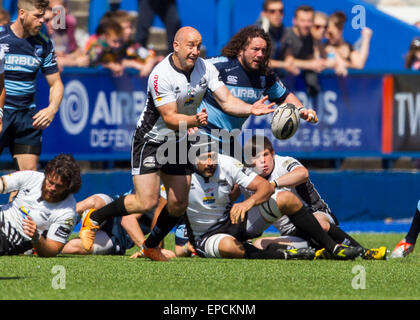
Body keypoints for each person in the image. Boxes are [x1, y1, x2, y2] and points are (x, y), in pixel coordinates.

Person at [79, 26, 276, 261]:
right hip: (151, 141)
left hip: (178, 140)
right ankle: (96, 217)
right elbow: (170, 118)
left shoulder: (206, 68)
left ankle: (151, 246)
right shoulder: (161, 74)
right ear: (176, 46)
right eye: (190, 45)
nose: (195, 51)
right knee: (146, 200)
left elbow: (226, 101)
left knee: (179, 202)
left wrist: (250, 109)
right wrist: (194, 120)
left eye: (198, 45)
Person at [134, 135, 315, 260]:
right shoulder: (179, 175)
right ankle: (285, 254)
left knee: (288, 205)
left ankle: (333, 245)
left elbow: (261, 188)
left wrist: (245, 202)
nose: (211, 162)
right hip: (202, 234)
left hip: (231, 225)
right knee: (183, 251)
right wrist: (155, 248)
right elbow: (160, 211)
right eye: (205, 158)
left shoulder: (226, 164)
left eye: (213, 156)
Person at [245, 135, 388, 260]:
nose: (262, 161)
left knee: (319, 223)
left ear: (273, 154)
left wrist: (272, 184)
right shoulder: (248, 178)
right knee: (259, 245)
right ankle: (317, 252)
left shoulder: (284, 163)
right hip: (293, 232)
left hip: (316, 215)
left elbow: (303, 173)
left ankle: (364, 252)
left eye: (265, 155)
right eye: (256, 158)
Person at [198, 25, 317, 161]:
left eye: (263, 50)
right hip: (202, 135)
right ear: (241, 50)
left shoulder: (265, 76)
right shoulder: (218, 66)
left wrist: (302, 110)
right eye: (255, 49)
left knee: (248, 181)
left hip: (228, 141)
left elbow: (285, 96)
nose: (260, 54)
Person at [0, 0, 64, 174]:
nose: (42, 21)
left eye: (43, 16)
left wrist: (52, 109)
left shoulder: (43, 43)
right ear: (22, 14)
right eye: (37, 16)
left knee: (27, 177)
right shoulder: (1, 37)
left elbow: (56, 83)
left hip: (27, 117)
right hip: (2, 112)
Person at [0, 154, 81, 257]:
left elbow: (52, 250)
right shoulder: (31, 177)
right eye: (50, 182)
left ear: (69, 186)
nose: (52, 188)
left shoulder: (68, 212)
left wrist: (36, 237)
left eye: (59, 186)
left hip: (11, 237)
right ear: (46, 174)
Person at [61, 191, 175, 258]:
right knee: (94, 203)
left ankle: (48, 243)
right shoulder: (152, 190)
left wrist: (186, 248)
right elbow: (128, 220)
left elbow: (181, 247)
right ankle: (53, 220)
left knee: (72, 248)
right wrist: (148, 249)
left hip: (118, 237)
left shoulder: (181, 203)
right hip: (110, 209)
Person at [100, 10, 161, 77]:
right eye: (125, 28)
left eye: (130, 27)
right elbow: (97, 61)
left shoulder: (131, 46)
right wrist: (129, 63)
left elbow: (149, 57)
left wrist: (149, 63)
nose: (129, 31)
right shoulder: (102, 44)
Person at [282, 5, 325, 98]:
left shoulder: (310, 37)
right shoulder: (286, 35)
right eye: (302, 21)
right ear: (294, 21)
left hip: (303, 90)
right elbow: (289, 61)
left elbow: (314, 56)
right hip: (282, 86)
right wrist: (311, 64)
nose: (306, 24)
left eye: (309, 21)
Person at [256, 0, 298, 76]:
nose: (277, 14)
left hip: (274, 76)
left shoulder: (283, 30)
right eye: (272, 11)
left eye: (281, 11)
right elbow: (260, 61)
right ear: (264, 14)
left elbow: (287, 52)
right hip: (257, 77)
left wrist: (289, 60)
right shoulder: (257, 32)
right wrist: (283, 65)